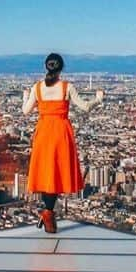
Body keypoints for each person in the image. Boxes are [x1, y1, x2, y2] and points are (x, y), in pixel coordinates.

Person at [22, 53, 104, 233]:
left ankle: (48, 213)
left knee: (46, 173)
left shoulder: (37, 88)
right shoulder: (67, 87)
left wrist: (25, 96)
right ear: (61, 68)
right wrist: (98, 98)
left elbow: (26, 111)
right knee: (57, 172)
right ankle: (48, 213)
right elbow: (85, 107)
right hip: (61, 133)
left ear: (46, 67)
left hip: (43, 132)